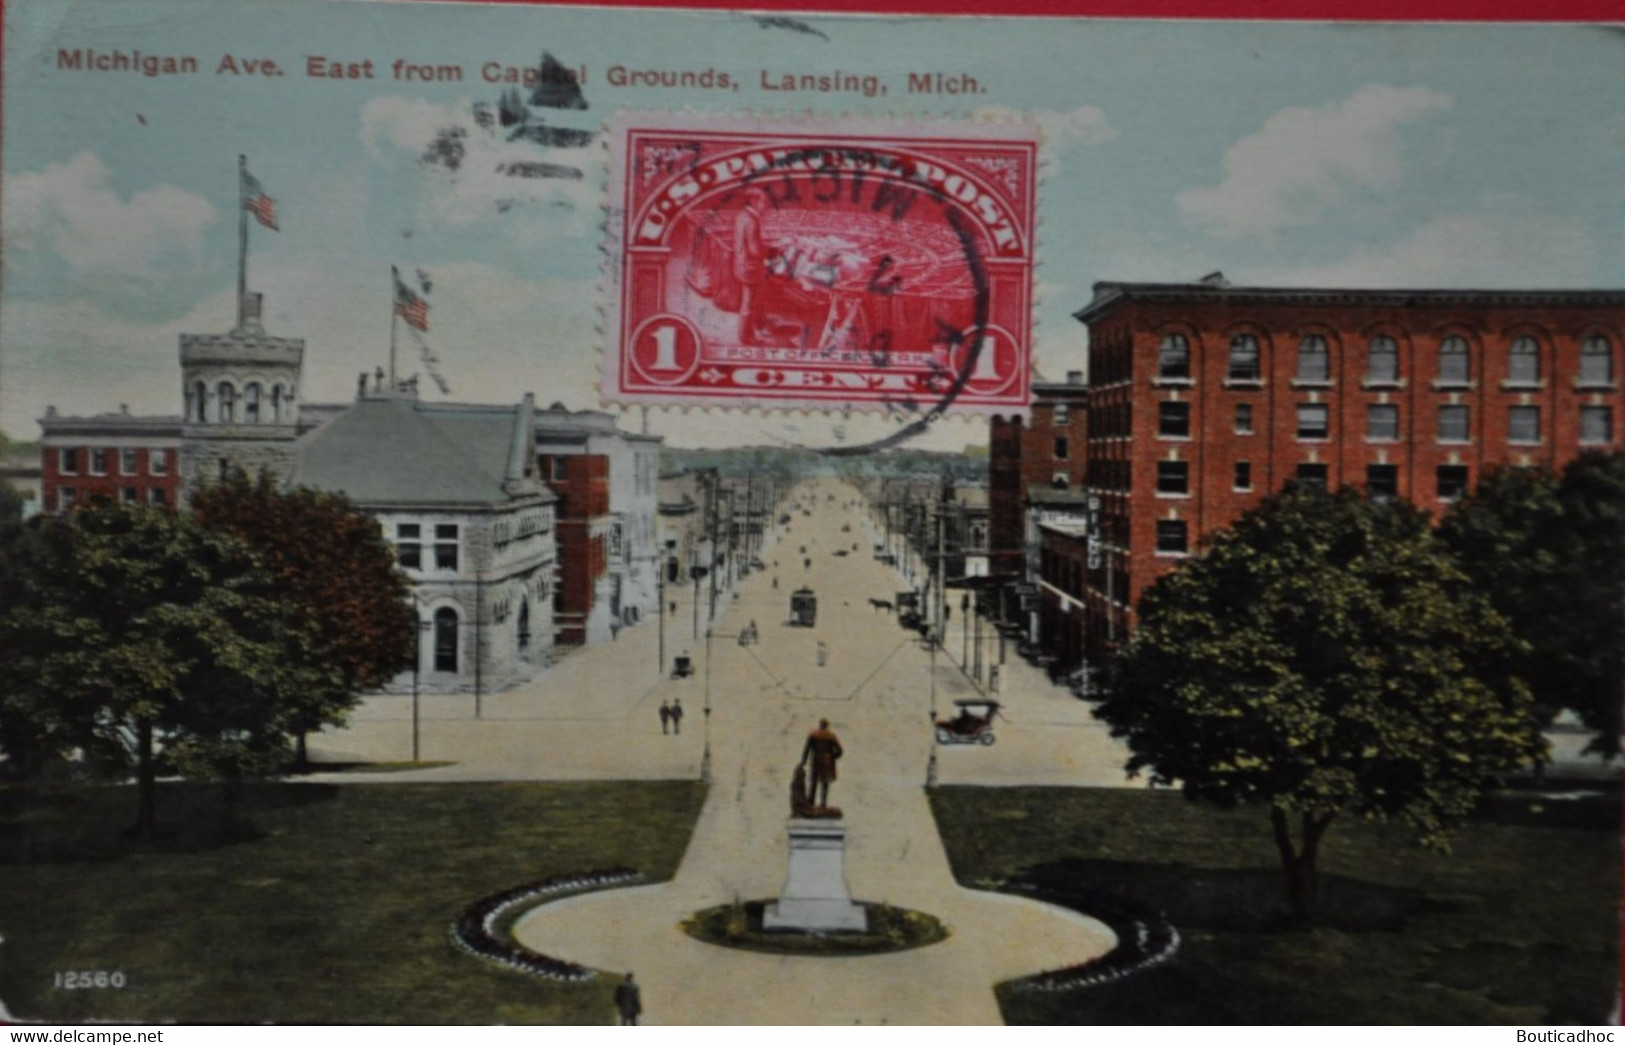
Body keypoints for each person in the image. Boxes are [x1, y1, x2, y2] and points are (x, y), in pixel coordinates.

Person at [800, 719, 843, 809]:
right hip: (827, 762)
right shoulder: (831, 736)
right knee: (824, 783)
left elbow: (806, 749)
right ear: (826, 726)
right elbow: (840, 751)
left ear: (820, 725)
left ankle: (811, 802)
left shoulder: (813, 734)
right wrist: (832, 757)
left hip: (816, 761)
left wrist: (803, 761)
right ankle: (823, 803)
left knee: (813, 782)